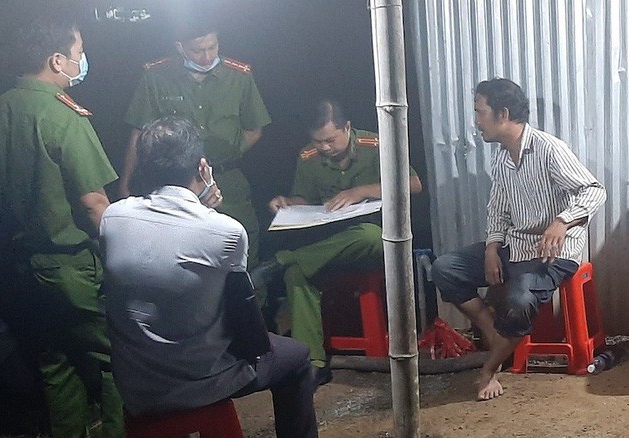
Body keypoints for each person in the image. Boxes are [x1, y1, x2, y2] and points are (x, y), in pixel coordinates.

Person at [100, 117, 318, 438]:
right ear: (203, 168)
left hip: (134, 381)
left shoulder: (113, 217)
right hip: (199, 379)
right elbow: (237, 309)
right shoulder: (226, 231)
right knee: (296, 358)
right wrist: (208, 211)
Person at [0, 17, 125, 436]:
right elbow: (94, 203)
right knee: (117, 360)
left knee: (56, 366)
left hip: (22, 267)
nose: (82, 60)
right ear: (57, 60)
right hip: (71, 268)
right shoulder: (63, 115)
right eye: (78, 53)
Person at [431, 78, 606, 401]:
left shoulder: (549, 149)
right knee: (445, 268)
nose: (476, 121)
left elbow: (594, 190)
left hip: (552, 253)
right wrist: (492, 247)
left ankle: (489, 370)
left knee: (519, 301)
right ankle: (494, 333)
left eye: (480, 112)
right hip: (515, 247)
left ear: (503, 114)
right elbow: (498, 208)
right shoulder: (501, 157)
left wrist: (562, 221)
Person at [251, 99, 422, 386]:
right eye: (318, 142)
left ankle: (282, 259)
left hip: (375, 243)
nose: (325, 147)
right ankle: (313, 364)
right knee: (296, 274)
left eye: (330, 140)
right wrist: (288, 202)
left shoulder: (375, 145)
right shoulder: (308, 157)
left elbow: (414, 184)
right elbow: (306, 199)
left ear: (347, 127)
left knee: (368, 234)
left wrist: (362, 191)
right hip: (329, 246)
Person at [119, 17, 271, 275]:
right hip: (173, 182)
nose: (206, 56)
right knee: (178, 252)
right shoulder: (156, 76)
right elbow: (140, 132)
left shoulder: (239, 76)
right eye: (198, 50)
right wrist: (126, 182)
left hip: (226, 179)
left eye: (212, 47)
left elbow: (254, 129)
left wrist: (226, 154)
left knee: (242, 250)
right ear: (180, 47)